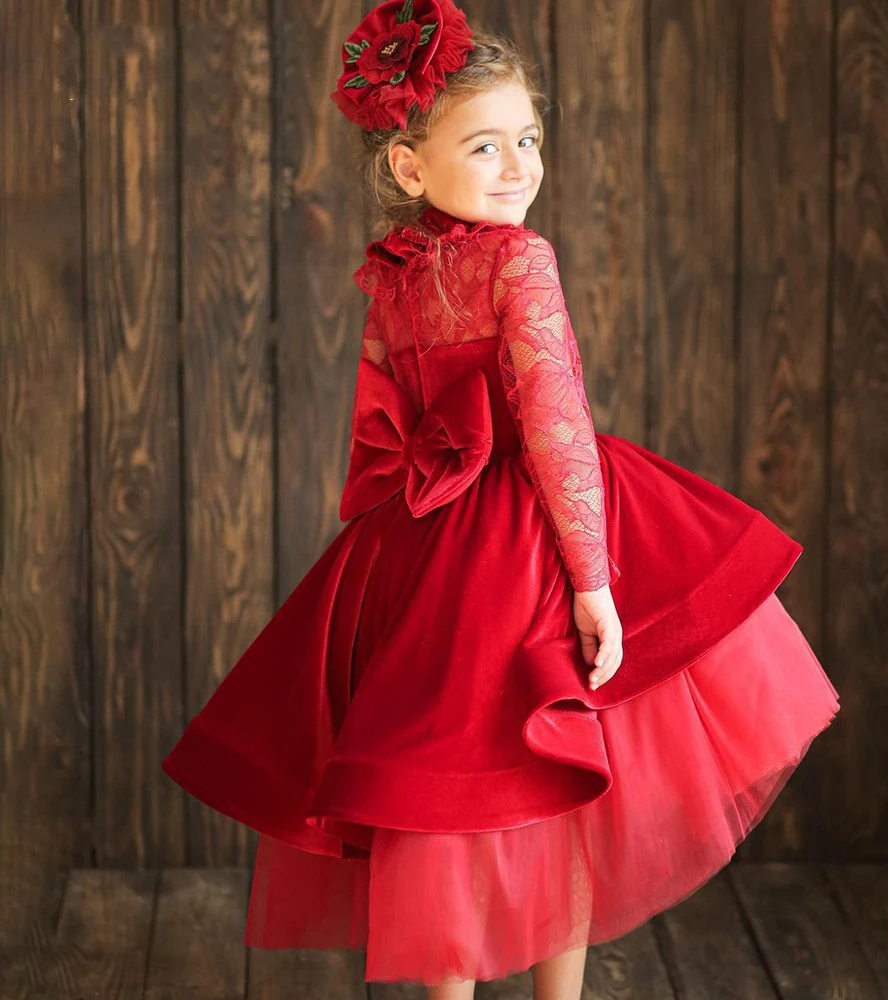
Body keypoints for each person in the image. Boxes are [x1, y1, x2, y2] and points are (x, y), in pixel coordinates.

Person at [161, 2, 841, 997]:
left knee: (460, 789)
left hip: (428, 543)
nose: (518, 165)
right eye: (485, 145)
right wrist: (595, 582)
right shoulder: (519, 260)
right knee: (550, 786)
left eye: (527, 139)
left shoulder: (397, 272)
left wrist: (384, 553)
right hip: (531, 542)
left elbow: (380, 423)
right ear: (407, 166)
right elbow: (557, 426)